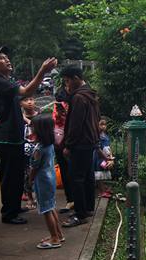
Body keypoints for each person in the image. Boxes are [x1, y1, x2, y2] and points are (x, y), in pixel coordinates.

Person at [0, 46, 57, 224]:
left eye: (6, 56)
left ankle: (14, 206)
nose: (7, 59)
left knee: (16, 174)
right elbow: (26, 92)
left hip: (13, 135)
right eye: (1, 57)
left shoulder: (5, 80)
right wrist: (42, 70)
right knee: (10, 175)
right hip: (7, 137)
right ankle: (9, 213)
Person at [60, 65, 100, 227]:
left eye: (68, 81)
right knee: (87, 175)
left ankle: (80, 214)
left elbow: (76, 125)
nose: (67, 85)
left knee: (76, 178)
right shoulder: (90, 94)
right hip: (90, 141)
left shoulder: (79, 98)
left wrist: (68, 145)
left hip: (80, 143)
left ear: (76, 78)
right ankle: (88, 207)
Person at [29, 114, 64, 249]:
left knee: (46, 209)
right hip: (50, 178)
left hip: (42, 180)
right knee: (51, 206)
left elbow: (34, 167)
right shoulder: (49, 145)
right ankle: (58, 234)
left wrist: (30, 180)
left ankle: (54, 238)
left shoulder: (39, 149)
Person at [53, 100, 74, 212]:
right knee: (65, 173)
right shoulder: (56, 107)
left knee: (73, 172)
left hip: (69, 145)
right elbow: (54, 121)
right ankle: (70, 200)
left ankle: (76, 200)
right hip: (58, 146)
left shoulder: (73, 104)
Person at [21, 95, 39, 210]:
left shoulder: (40, 115)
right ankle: (30, 197)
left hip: (38, 150)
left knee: (39, 173)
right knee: (27, 175)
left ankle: (39, 196)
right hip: (24, 150)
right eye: (26, 100)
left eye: (31, 99)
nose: (29, 102)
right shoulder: (18, 117)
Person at [94, 118, 114, 198]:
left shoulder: (105, 135)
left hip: (106, 155)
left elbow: (108, 146)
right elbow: (97, 148)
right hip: (99, 157)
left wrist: (110, 156)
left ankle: (104, 188)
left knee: (105, 170)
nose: (103, 126)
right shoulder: (97, 136)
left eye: (104, 124)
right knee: (99, 173)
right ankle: (101, 191)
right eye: (101, 124)